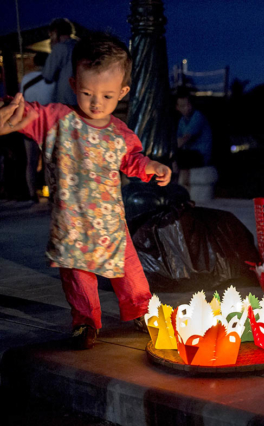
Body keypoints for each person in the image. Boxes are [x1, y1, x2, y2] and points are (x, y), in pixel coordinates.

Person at [0, 34, 171, 350]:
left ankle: (143, 313)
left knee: (132, 277)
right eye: (87, 92)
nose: (96, 103)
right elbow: (23, 114)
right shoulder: (58, 120)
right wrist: (9, 112)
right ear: (73, 83)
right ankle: (85, 323)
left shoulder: (120, 132)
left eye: (107, 96)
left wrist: (151, 167)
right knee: (79, 281)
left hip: (112, 226)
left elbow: (131, 159)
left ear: (122, 92)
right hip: (73, 227)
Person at [22, 52, 55, 203]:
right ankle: (51, 193)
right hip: (47, 124)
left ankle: (31, 193)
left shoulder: (26, 79)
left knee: (31, 160)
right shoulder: (52, 80)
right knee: (49, 161)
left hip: (28, 123)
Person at [42, 18, 77, 105]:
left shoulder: (60, 48)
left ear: (55, 32)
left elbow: (48, 76)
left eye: (51, 35)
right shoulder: (80, 46)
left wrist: (53, 49)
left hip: (66, 102)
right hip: (81, 100)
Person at [175, 88, 212, 169]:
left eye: (188, 104)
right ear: (177, 108)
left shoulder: (197, 116)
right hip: (190, 153)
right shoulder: (182, 121)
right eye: (183, 106)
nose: (187, 108)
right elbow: (177, 139)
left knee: (176, 157)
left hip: (201, 155)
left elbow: (185, 139)